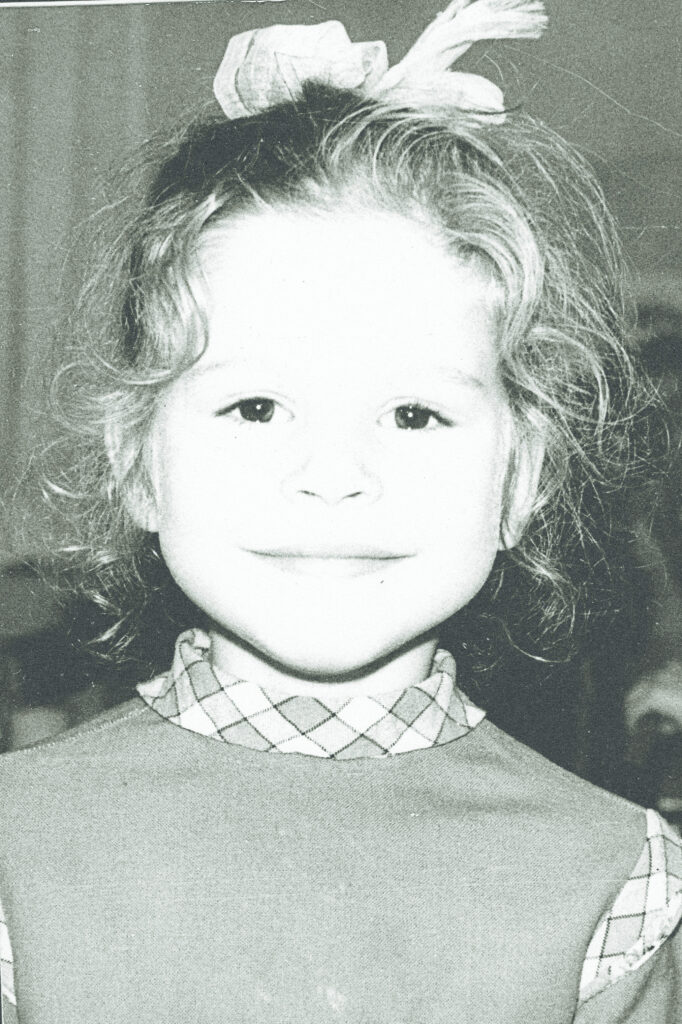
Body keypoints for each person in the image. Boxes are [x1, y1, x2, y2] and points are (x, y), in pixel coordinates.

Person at [0, 2, 680, 1021]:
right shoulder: (16, 850)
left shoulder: (620, 885)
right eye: (256, 404)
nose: (332, 472)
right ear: (138, 461)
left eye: (413, 412)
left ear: (521, 478)